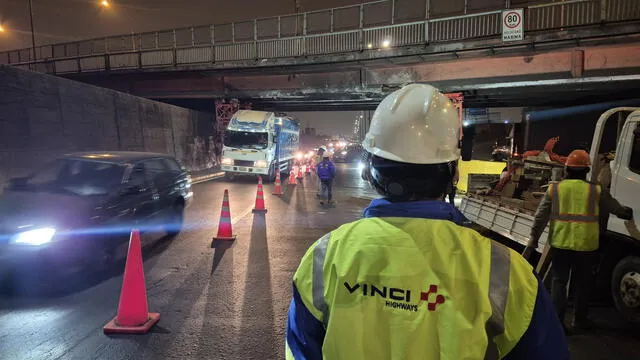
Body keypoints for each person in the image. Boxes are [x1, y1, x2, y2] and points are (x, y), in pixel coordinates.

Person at [286, 83, 569, 360]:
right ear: (453, 173)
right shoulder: (504, 271)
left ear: (369, 172)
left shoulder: (325, 257)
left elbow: (300, 349)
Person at [526, 149, 633, 333]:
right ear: (586, 170)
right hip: (586, 246)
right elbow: (618, 209)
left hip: (561, 243)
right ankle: (579, 320)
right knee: (583, 284)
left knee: (559, 282)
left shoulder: (555, 189)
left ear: (567, 169)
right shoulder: (596, 190)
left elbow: (540, 217)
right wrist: (629, 212)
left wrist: (533, 240)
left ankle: (558, 324)